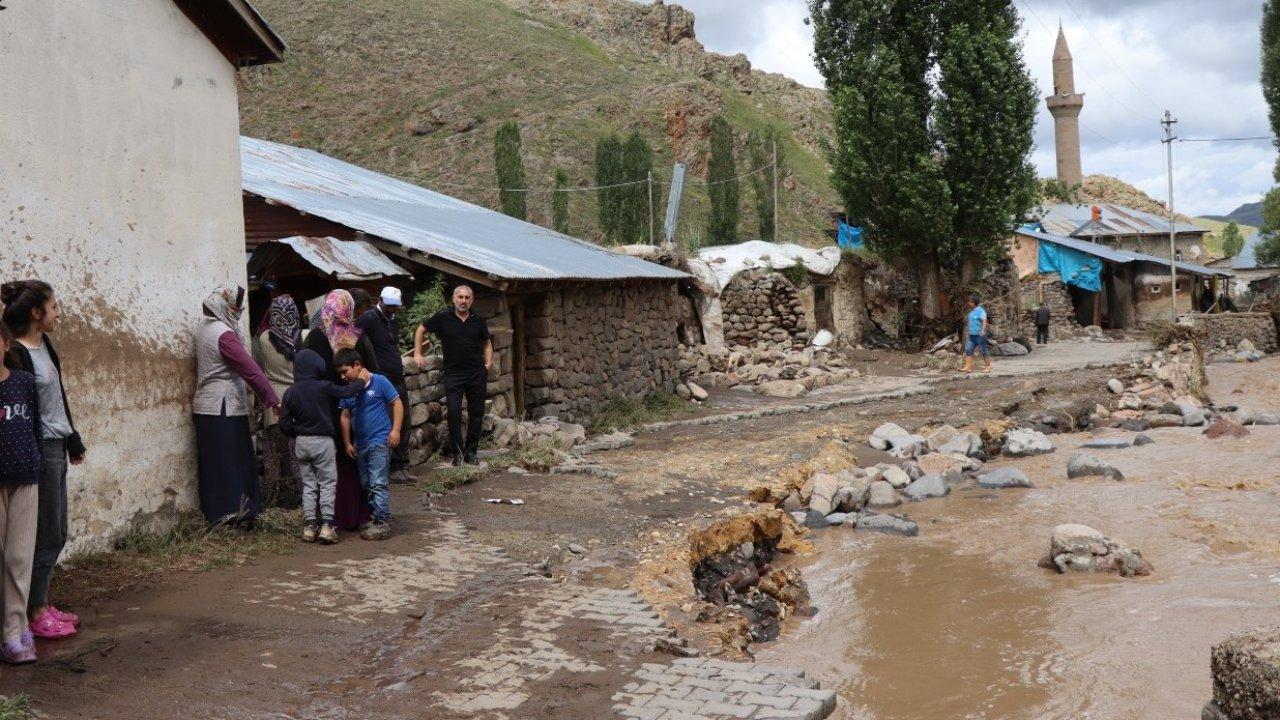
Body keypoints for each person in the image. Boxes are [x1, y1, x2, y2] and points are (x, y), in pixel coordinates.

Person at [1, 280, 85, 640]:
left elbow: (57, 395)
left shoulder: (44, 345)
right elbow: (24, 413)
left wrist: (73, 437)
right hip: (39, 450)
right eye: (54, 308)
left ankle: (41, 600)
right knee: (44, 532)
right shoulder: (16, 353)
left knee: (57, 530)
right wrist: (35, 451)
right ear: (37, 314)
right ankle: (33, 611)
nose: (59, 313)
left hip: (57, 444)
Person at [192, 284, 281, 527]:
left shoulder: (203, 327)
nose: (238, 312)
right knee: (231, 461)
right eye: (235, 307)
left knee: (216, 462)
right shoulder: (224, 334)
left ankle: (219, 513)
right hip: (224, 407)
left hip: (206, 407)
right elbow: (250, 369)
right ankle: (236, 513)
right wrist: (271, 399)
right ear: (225, 306)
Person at [301, 290, 379, 531]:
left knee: (326, 463)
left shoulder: (314, 337)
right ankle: (357, 514)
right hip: (355, 408)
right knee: (353, 458)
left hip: (322, 409)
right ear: (349, 308)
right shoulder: (358, 337)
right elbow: (373, 372)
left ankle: (326, 517)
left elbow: (305, 372)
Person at [279, 349, 367, 544]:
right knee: (327, 483)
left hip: (302, 442)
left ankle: (309, 527)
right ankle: (327, 526)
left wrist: (298, 432)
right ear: (317, 367)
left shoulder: (290, 392)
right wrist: (361, 381)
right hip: (323, 442)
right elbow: (347, 391)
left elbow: (284, 424)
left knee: (309, 485)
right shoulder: (323, 386)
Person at [0, 319, 42, 664]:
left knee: (19, 557)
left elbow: (35, 428)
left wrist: (37, 463)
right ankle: (11, 626)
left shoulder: (24, 383)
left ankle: (14, 630)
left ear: (4, 345)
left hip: (25, 478)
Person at [414, 285, 492, 466]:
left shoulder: (478, 319)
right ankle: (457, 454)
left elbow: (487, 343)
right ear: (453, 299)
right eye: (460, 297)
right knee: (454, 412)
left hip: (476, 373)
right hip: (454, 374)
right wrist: (418, 354)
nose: (463, 301)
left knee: (476, 414)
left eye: (467, 297)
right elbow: (420, 329)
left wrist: (488, 363)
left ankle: (471, 453)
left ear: (471, 300)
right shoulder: (443, 318)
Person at [336, 349, 402, 541]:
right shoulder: (350, 389)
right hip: (361, 444)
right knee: (367, 482)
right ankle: (376, 516)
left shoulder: (379, 381)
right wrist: (348, 442)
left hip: (380, 441)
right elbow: (345, 416)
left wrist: (395, 430)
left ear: (357, 365)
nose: (343, 376)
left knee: (377, 482)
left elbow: (397, 404)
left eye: (345, 371)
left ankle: (382, 521)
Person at [253, 295, 303, 508]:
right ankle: (302, 496)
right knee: (299, 454)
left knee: (276, 454)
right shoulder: (305, 337)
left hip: (274, 406)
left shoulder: (264, 339)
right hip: (300, 403)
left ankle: (278, 500)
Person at [356, 287, 409, 482]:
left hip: (398, 377)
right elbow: (356, 342)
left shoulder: (392, 321)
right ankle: (386, 468)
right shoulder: (368, 318)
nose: (392, 309)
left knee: (404, 420)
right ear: (380, 300)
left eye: (395, 307)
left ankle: (400, 464)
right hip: (382, 379)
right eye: (389, 306)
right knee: (386, 423)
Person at [962, 293, 992, 376]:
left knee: (983, 350)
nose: (968, 303)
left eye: (970, 302)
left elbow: (984, 321)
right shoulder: (971, 312)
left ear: (974, 302)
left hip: (980, 335)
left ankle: (987, 367)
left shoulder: (981, 311)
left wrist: (982, 330)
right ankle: (968, 367)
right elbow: (969, 322)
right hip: (972, 336)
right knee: (968, 349)